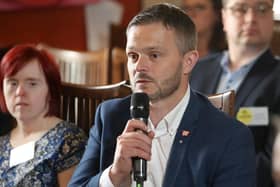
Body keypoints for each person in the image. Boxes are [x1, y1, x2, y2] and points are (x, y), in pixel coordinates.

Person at [69, 3, 256, 187]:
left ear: (188, 62)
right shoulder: (110, 115)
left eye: (154, 55)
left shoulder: (230, 136)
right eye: (133, 56)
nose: (139, 67)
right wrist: (114, 175)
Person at [190, 0, 280, 186]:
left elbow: (272, 162)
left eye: (262, 9)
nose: (251, 18)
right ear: (224, 17)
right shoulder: (194, 70)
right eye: (241, 9)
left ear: (272, 16)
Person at [0, 44, 88, 187]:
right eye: (13, 83)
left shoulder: (67, 139)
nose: (19, 92)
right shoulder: (2, 143)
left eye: (32, 83)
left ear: (50, 90)